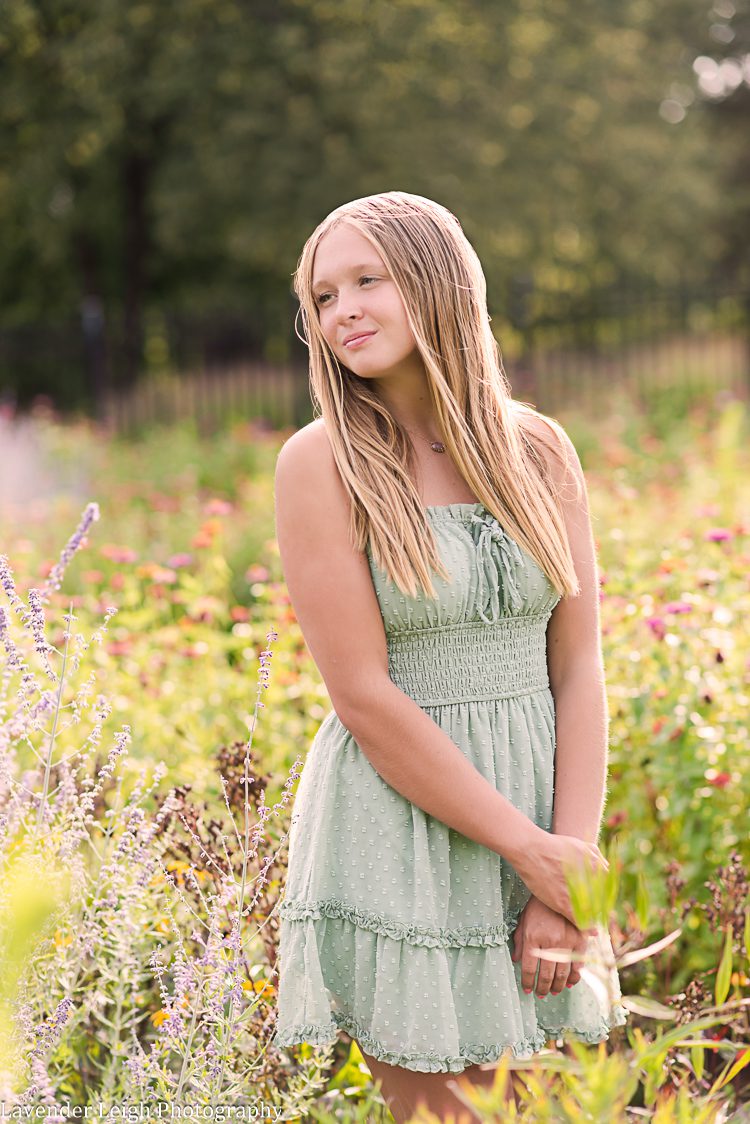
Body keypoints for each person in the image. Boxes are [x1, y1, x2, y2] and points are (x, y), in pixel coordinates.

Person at [270, 191, 628, 1123]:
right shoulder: (322, 464)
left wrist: (568, 867)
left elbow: (579, 667)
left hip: (545, 815)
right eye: (322, 297)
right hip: (411, 831)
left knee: (549, 1109)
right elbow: (364, 699)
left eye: (366, 281)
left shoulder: (540, 451)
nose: (341, 309)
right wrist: (530, 851)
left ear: (438, 284)